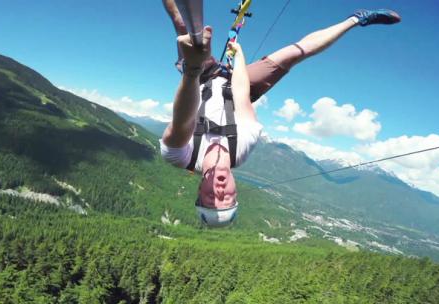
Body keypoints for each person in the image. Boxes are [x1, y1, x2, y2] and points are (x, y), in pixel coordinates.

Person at [160, 1, 401, 227]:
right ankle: (356, 19)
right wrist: (239, 55)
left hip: (198, 81)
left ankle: (191, 52)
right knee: (293, 54)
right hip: (237, 90)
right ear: (236, 192)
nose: (220, 191)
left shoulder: (180, 156)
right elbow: (241, 94)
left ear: (199, 191)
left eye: (211, 197)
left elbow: (183, 120)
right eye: (227, 198)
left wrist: (192, 69)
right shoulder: (242, 148)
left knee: (183, 28)